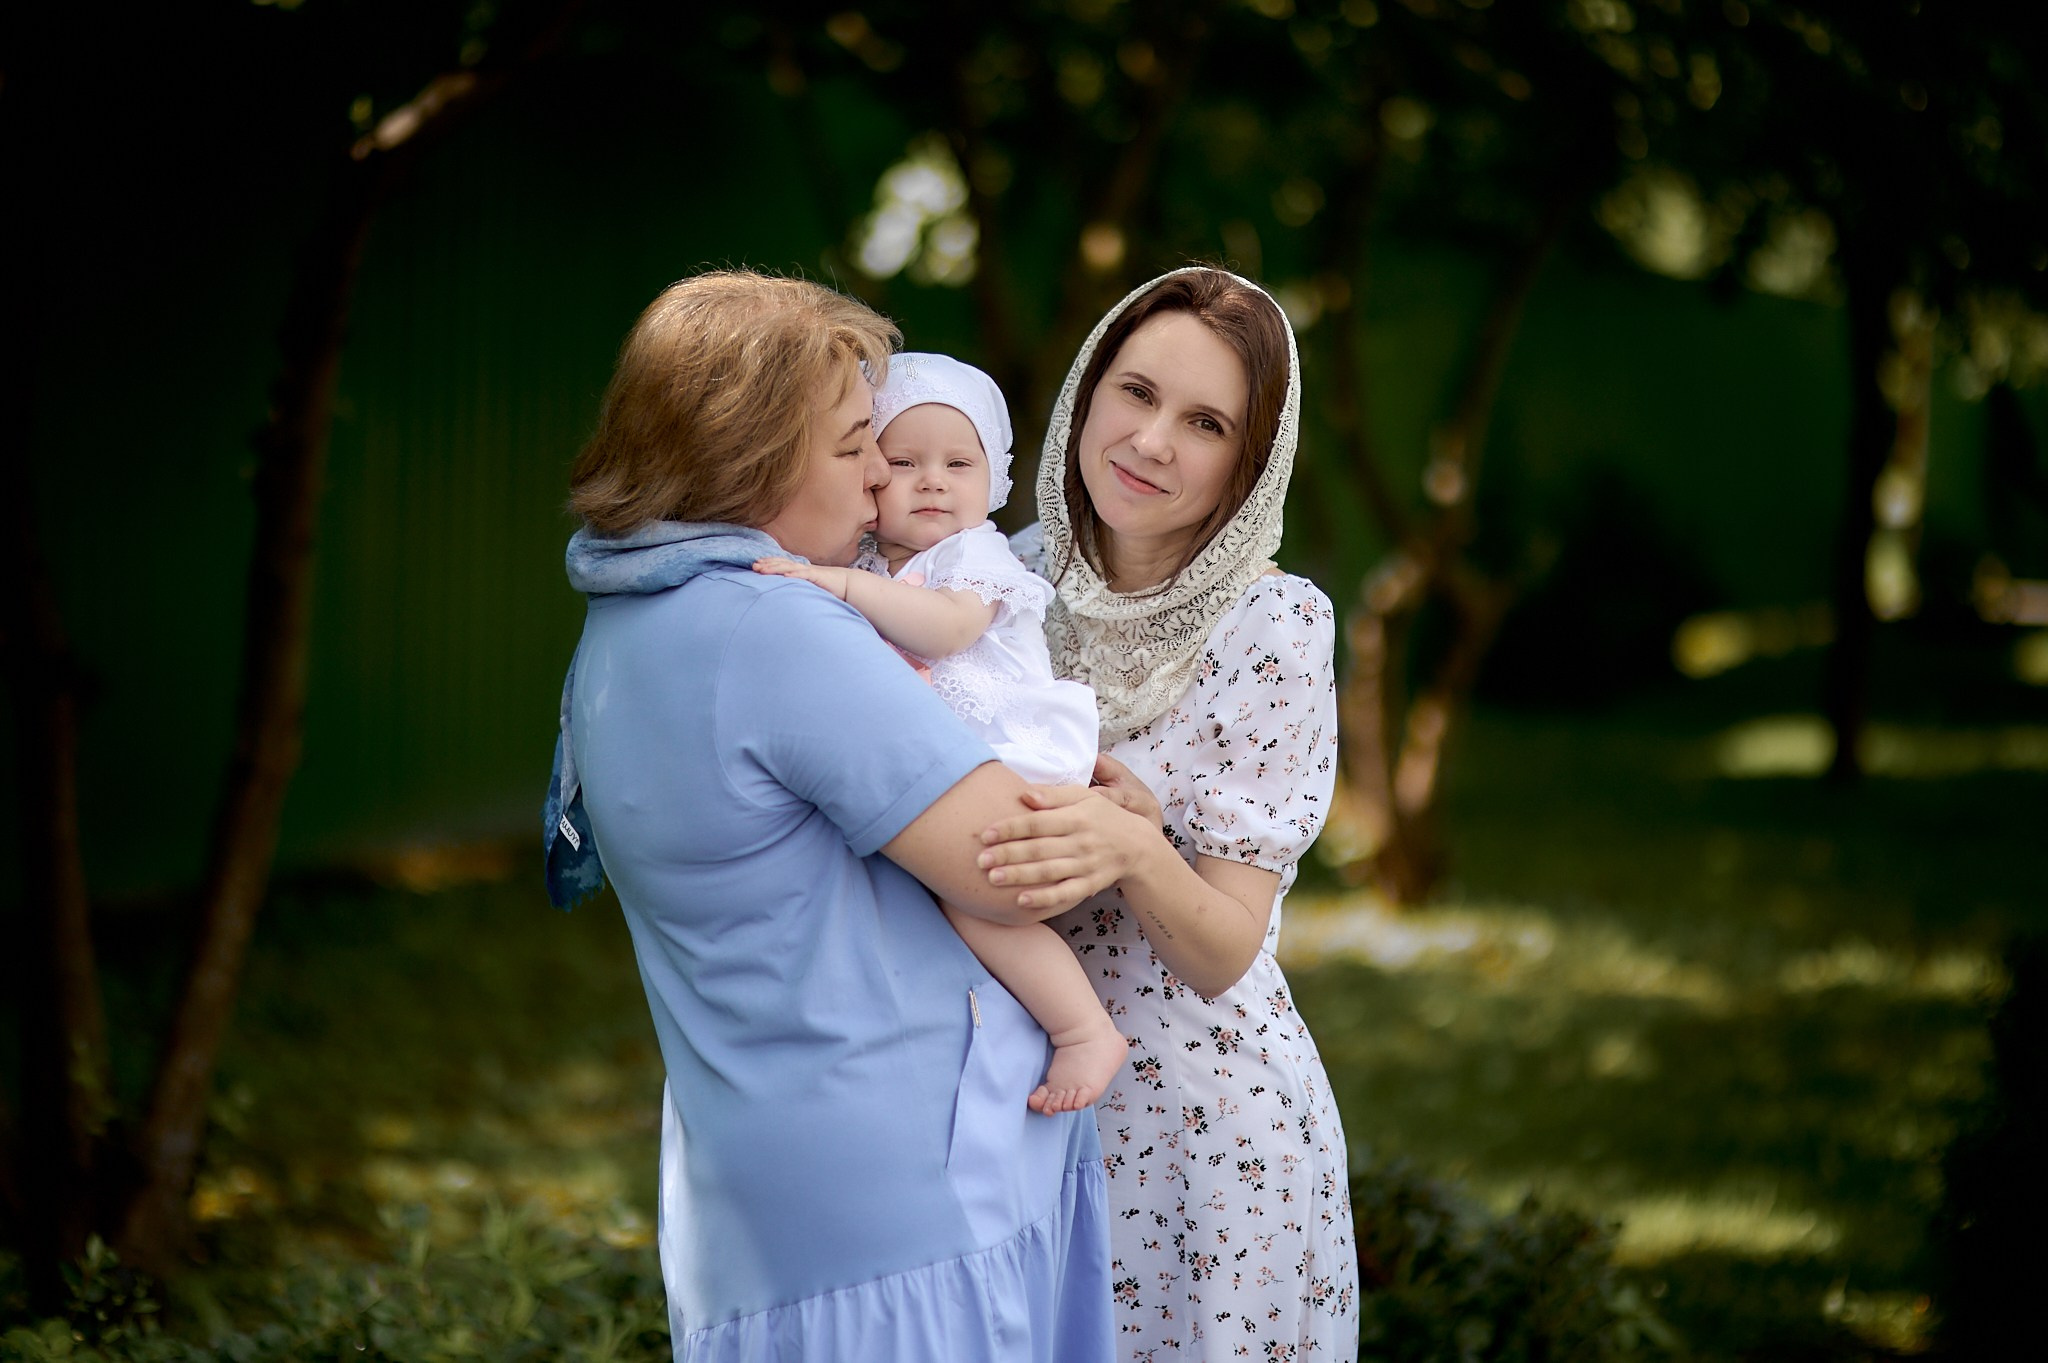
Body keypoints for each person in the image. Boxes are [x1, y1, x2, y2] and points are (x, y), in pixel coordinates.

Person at [540, 272, 1119, 1363]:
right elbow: (1012, 864)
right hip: (901, 1207)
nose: (881, 472)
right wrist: (1115, 817)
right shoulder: (777, 626)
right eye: (856, 442)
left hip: (757, 1187)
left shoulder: (624, 624)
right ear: (752, 459)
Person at [992, 267, 1360, 1360]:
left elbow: (1223, 951)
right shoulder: (997, 586)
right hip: (1018, 1106)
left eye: (1204, 422)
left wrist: (1135, 849)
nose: (1151, 441)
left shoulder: (1275, 624)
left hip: (1205, 1145)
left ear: (1249, 463)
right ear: (1084, 394)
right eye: (1134, 392)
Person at [752, 352, 1126, 1115]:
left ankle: (1084, 1026)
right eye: (903, 459)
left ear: (993, 482)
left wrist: (844, 590)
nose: (932, 480)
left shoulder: (973, 554)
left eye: (959, 462)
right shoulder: (863, 557)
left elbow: (950, 630)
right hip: (939, 764)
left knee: (974, 896)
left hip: (1008, 752)